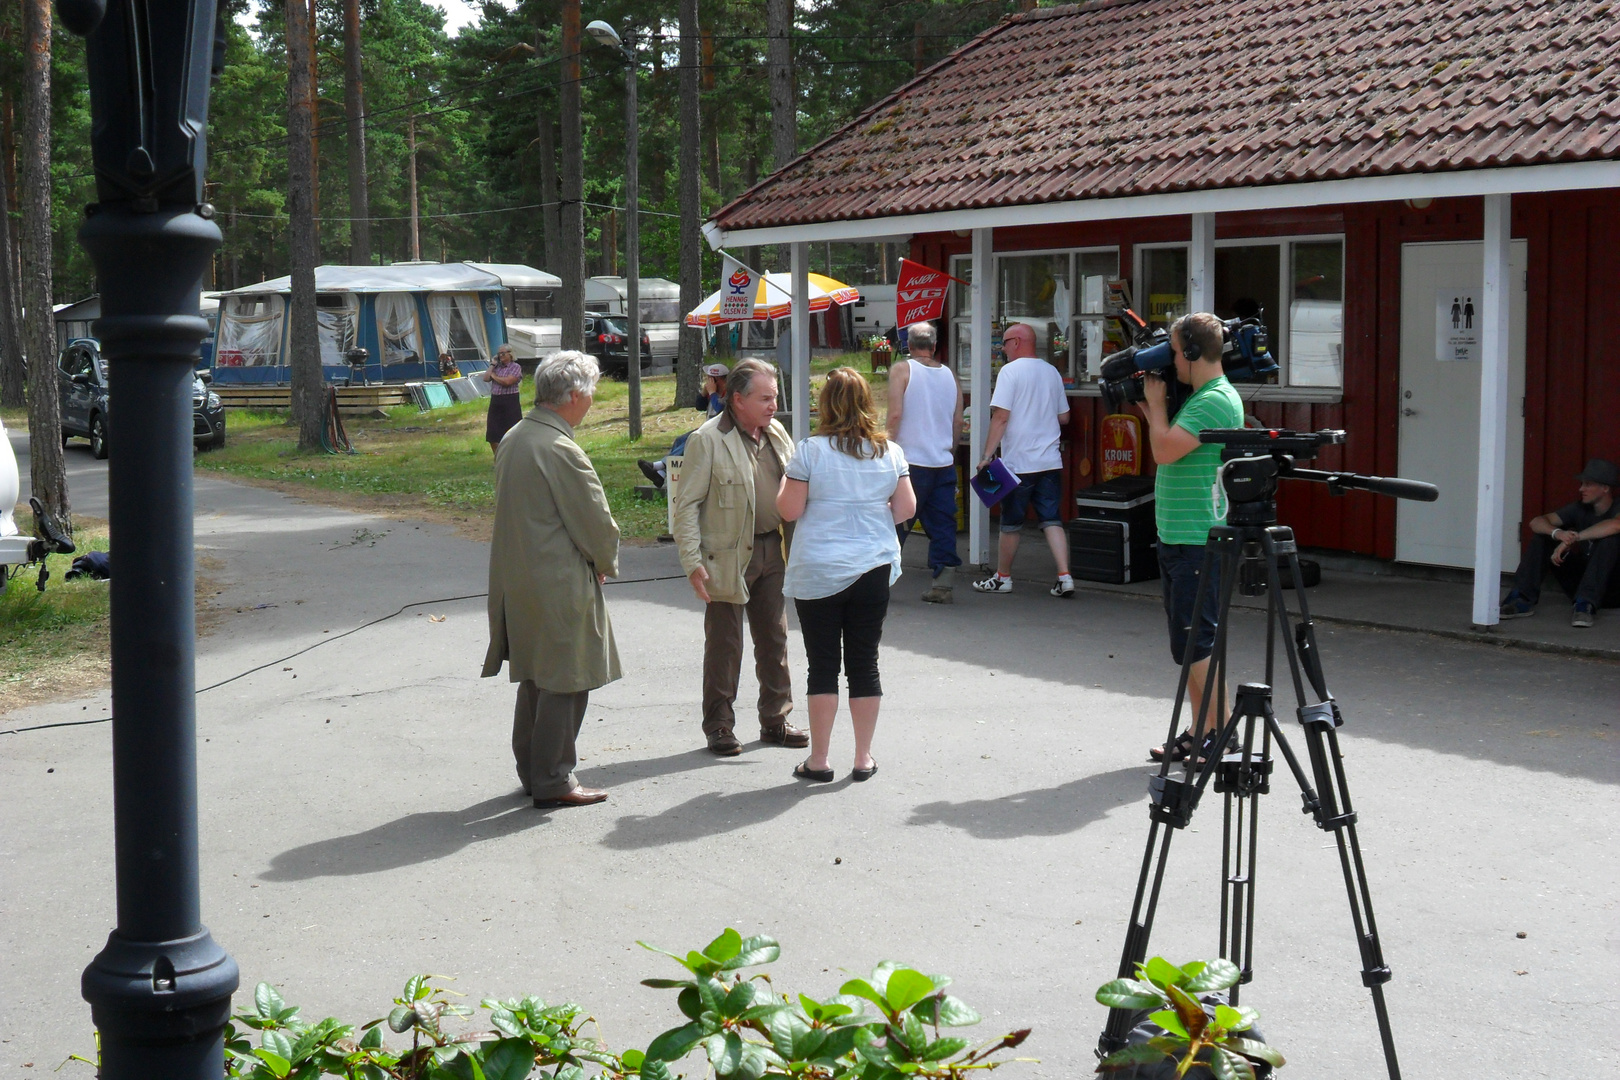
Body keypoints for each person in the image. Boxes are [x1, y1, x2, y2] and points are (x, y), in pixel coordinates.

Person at [481, 351, 620, 809]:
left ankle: (534, 770)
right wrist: (604, 562)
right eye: (592, 394)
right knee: (566, 678)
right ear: (575, 395)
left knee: (537, 678)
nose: (593, 402)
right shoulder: (560, 448)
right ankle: (554, 778)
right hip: (558, 578)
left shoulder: (517, 435)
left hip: (519, 574)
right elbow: (596, 522)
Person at [779, 367, 916, 782]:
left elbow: (789, 510)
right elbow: (906, 509)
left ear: (825, 404)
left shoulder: (810, 451)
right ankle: (863, 757)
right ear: (866, 403)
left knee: (822, 663)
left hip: (819, 568)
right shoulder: (888, 452)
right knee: (864, 662)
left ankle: (818, 760)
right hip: (872, 565)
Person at [671, 358, 808, 755]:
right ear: (737, 399)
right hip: (726, 557)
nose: (772, 405)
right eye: (765, 398)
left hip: (771, 549)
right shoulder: (707, 439)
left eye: (775, 397)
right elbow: (686, 506)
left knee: (775, 640)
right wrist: (691, 561)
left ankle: (776, 720)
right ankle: (719, 726)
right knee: (724, 646)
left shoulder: (777, 433)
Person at [1138, 312, 1245, 763]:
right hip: (1181, 536)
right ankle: (1201, 732)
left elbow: (1163, 451)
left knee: (1198, 642)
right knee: (1189, 644)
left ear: (1193, 352)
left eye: (1175, 350)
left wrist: (1156, 407)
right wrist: (1155, 409)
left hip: (1198, 538)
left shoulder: (1214, 400)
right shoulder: (1200, 397)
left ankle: (1222, 736)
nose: (1172, 361)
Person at [971, 322, 1075, 597]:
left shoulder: (1010, 372)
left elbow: (1001, 416)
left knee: (1011, 522)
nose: (1002, 348)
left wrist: (986, 456)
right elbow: (1064, 416)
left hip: (1019, 463)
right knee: (1052, 519)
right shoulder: (1051, 371)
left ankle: (1003, 577)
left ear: (1017, 342)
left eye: (1004, 342)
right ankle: (1064, 576)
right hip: (1050, 461)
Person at [887, 321, 964, 603]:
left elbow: (894, 415)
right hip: (941, 463)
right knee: (943, 523)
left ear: (908, 344)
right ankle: (943, 583)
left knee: (896, 522)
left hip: (909, 463)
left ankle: (879, 579)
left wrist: (887, 450)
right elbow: (958, 420)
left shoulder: (902, 370)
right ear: (933, 346)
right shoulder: (950, 376)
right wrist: (950, 451)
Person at [1500, 458, 1619, 627]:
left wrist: (1575, 537)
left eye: (1587, 484)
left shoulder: (1617, 507)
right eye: (1582, 484)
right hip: (1582, 583)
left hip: (1613, 586)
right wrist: (1558, 533)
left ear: (1605, 488)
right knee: (1543, 537)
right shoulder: (1579, 508)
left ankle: (1586, 605)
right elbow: (1536, 522)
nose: (1581, 489)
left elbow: (1615, 526)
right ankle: (1522, 598)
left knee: (1610, 540)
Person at [638, 363, 728, 488]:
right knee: (680, 440)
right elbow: (699, 406)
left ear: (718, 380)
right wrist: (704, 393)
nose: (708, 382)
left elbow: (719, 409)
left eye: (710, 379)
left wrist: (713, 393)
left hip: (721, 432)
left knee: (690, 440)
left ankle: (660, 466)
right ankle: (661, 474)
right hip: (708, 430)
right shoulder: (712, 394)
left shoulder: (728, 394)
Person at [482, 343, 524, 454]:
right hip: (496, 401)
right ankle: (498, 458)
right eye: (499, 354)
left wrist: (494, 376)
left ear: (510, 354)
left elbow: (507, 382)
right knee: (493, 433)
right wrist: (492, 365)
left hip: (510, 402)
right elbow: (486, 378)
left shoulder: (515, 367)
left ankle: (513, 457)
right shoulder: (496, 367)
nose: (500, 356)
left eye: (503, 353)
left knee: (512, 432)